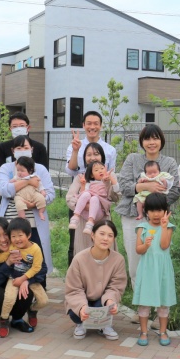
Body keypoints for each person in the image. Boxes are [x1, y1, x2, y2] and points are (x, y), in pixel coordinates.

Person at [113, 124, 180, 288]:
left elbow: (175, 190)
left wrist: (153, 206)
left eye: (155, 138)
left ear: (161, 141)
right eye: (147, 139)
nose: (151, 142)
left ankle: (157, 295)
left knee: (158, 255)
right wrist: (145, 187)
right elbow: (124, 186)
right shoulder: (132, 159)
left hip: (159, 219)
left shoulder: (169, 162)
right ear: (142, 142)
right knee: (135, 257)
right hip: (132, 216)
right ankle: (139, 296)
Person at [0, 136, 56, 274]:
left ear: (32, 150)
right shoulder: (6, 168)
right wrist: (28, 182)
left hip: (33, 223)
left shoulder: (40, 169)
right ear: (13, 151)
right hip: (10, 221)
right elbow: (3, 190)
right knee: (11, 258)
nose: (22, 150)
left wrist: (33, 204)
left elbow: (50, 194)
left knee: (36, 258)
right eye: (19, 148)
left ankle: (38, 283)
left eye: (26, 147)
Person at [65, 111, 117, 266]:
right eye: (89, 123)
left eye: (96, 123)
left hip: (102, 213)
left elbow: (114, 193)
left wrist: (111, 183)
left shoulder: (110, 150)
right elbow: (70, 170)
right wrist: (76, 150)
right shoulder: (76, 148)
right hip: (81, 211)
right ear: (83, 125)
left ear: (101, 125)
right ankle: (76, 275)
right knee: (77, 245)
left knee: (103, 247)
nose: (92, 126)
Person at [0, 218, 41, 338]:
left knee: (26, 290)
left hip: (15, 285)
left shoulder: (23, 247)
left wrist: (27, 280)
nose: (3, 239)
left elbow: (41, 269)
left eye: (6, 234)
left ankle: (17, 319)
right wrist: (7, 263)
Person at [65, 221, 127, 341]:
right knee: (75, 311)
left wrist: (110, 301)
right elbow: (74, 289)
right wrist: (82, 307)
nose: (105, 238)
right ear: (92, 235)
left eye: (110, 235)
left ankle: (104, 325)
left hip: (101, 300)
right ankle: (80, 324)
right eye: (102, 234)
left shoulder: (118, 259)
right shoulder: (79, 259)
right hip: (83, 298)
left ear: (114, 239)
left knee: (106, 307)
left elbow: (116, 286)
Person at [132, 193, 177, 347]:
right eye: (152, 210)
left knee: (163, 302)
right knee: (144, 302)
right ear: (146, 211)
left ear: (165, 210)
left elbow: (164, 246)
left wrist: (164, 227)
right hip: (147, 269)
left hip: (163, 269)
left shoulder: (168, 227)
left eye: (159, 210)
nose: (156, 214)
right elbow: (138, 250)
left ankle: (163, 332)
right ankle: (143, 332)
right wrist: (146, 245)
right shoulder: (142, 228)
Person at [0, 218, 49, 336]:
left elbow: (37, 268)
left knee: (44, 301)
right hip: (14, 278)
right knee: (9, 298)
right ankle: (4, 320)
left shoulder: (36, 249)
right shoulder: (12, 246)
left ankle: (32, 310)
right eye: (13, 236)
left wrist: (24, 279)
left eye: (20, 235)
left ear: (29, 235)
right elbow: (2, 257)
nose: (17, 239)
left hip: (30, 278)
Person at [0, 112, 49, 176]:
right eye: (14, 126)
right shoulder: (2, 147)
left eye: (22, 126)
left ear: (28, 128)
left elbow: (44, 173)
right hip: (10, 181)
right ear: (10, 129)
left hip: (35, 181)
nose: (18, 129)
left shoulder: (40, 148)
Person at [69, 161, 115, 235]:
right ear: (92, 175)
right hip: (85, 212)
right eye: (96, 170)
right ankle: (75, 217)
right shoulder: (89, 184)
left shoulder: (107, 183)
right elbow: (82, 196)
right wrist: (83, 185)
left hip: (98, 212)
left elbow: (109, 193)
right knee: (86, 194)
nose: (100, 171)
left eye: (102, 168)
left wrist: (108, 180)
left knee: (94, 198)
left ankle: (90, 223)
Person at [11, 156, 47, 220]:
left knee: (41, 199)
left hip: (33, 194)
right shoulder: (16, 177)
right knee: (18, 203)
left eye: (22, 171)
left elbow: (40, 185)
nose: (19, 172)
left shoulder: (34, 177)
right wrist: (11, 182)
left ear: (30, 170)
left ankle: (41, 212)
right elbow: (11, 184)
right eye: (18, 170)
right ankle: (22, 217)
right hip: (20, 196)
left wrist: (42, 191)